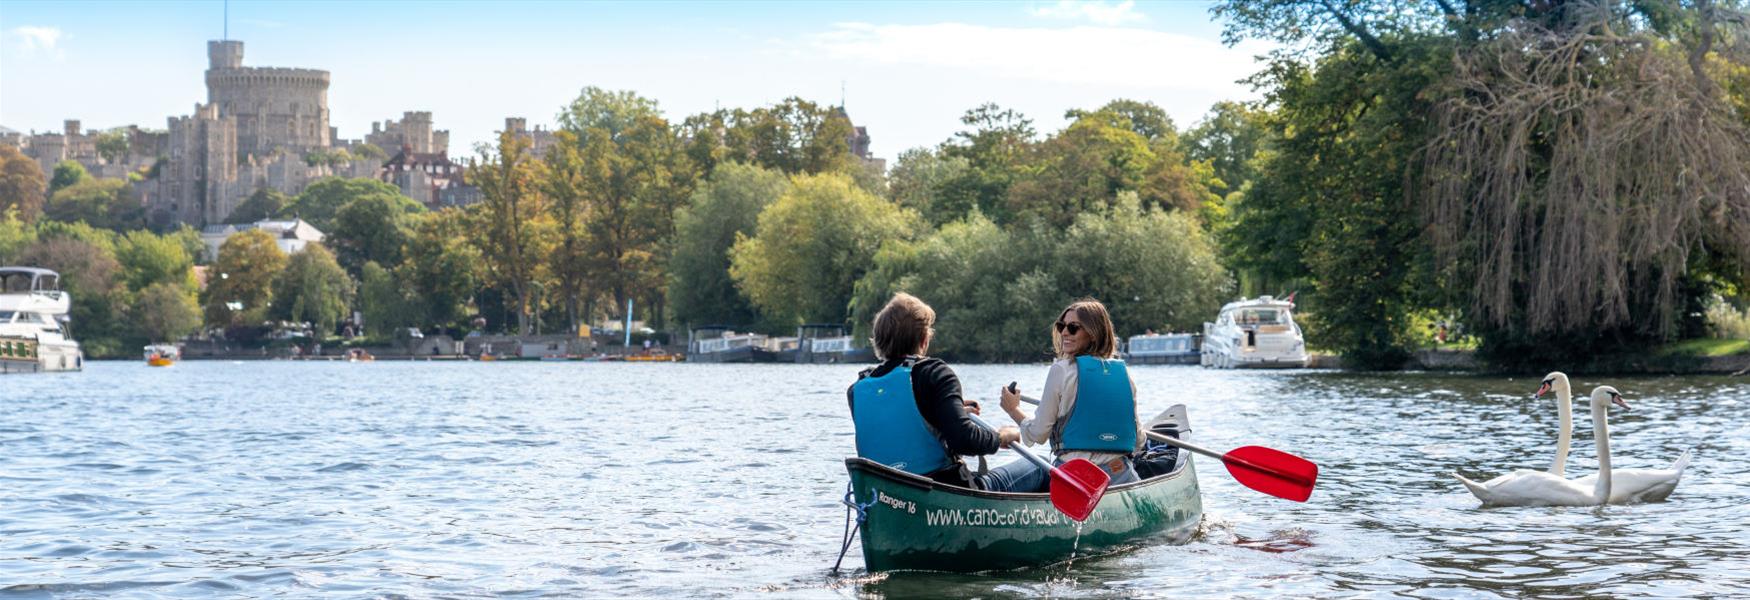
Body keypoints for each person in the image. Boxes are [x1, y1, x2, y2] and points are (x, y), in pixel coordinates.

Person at [847, 293, 1037, 491]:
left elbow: (900, 427)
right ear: (923, 339)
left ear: (879, 340)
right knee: (1036, 467)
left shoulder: (857, 390)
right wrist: (1000, 437)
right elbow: (965, 441)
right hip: (943, 494)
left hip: (883, 495)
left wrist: (943, 413)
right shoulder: (934, 373)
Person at [999, 298, 1145, 489]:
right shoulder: (1124, 374)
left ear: (1093, 333)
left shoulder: (1060, 371)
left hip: (1075, 479)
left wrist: (1013, 409)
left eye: (1073, 327)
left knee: (1039, 463)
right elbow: (1139, 440)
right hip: (1120, 475)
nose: (1065, 332)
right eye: (1062, 326)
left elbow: (1038, 433)